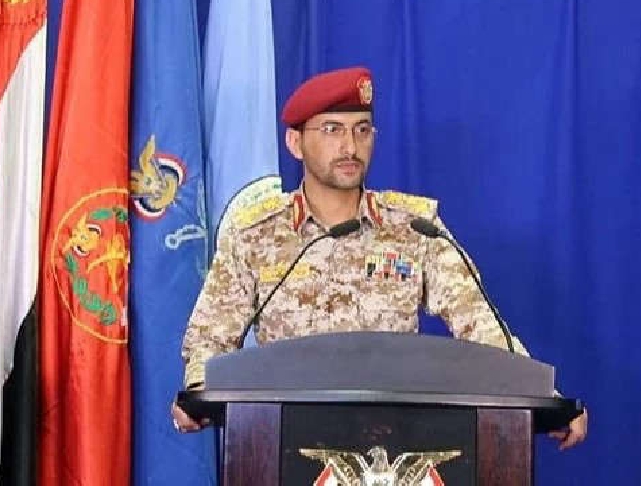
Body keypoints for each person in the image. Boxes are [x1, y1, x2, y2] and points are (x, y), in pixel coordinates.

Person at [171, 66, 587, 450]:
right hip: (284, 439)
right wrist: (199, 393)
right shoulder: (254, 234)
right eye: (332, 130)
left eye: (362, 130)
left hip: (393, 444)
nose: (349, 147)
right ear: (295, 143)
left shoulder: (415, 227)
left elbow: (480, 324)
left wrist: (541, 395)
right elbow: (210, 336)